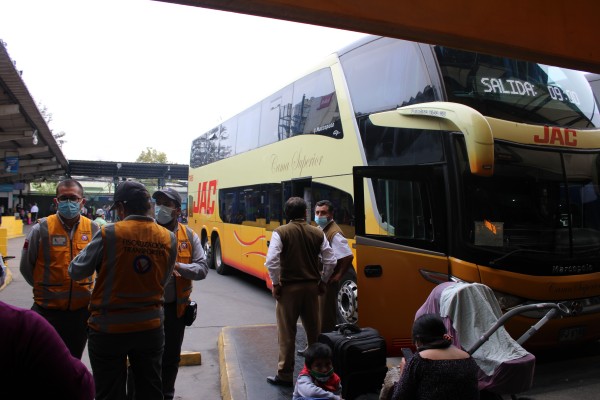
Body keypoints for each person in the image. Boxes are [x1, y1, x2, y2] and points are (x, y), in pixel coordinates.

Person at [69, 180, 178, 400]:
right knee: (149, 389)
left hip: (109, 330)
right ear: (148, 205)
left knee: (110, 392)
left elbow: (76, 271)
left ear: (120, 208)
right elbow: (164, 279)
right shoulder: (169, 238)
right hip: (151, 328)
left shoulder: (109, 233)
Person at [19, 178, 98, 359]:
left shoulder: (93, 229)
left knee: (72, 361)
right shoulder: (41, 228)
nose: (68, 202)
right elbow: (26, 266)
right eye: (64, 198)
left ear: (82, 202)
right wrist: (46, 288)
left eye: (73, 198)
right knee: (42, 362)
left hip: (80, 314)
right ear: (56, 202)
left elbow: (100, 268)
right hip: (47, 311)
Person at [265, 196, 337, 387]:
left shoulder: (281, 232)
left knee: (287, 333)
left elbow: (272, 261)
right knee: (314, 333)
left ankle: (285, 374)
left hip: (289, 289)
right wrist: (323, 281)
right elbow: (331, 260)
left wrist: (275, 284)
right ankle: (316, 373)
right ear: (305, 213)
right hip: (312, 288)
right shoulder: (317, 232)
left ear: (286, 214)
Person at [152, 187, 209, 400]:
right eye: (158, 203)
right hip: (147, 309)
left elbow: (202, 269)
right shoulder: (146, 231)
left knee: (171, 358)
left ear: (177, 210)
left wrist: (178, 267)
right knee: (146, 357)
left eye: (166, 204)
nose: (161, 208)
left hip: (175, 310)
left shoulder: (189, 235)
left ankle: (167, 394)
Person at [0, 300, 95, 400]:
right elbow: (80, 387)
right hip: (48, 308)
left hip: (79, 309)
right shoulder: (23, 326)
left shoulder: (22, 325)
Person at [388, 313, 479, 400]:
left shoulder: (419, 360)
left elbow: (399, 397)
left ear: (418, 339)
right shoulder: (468, 358)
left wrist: (403, 372)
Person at [314, 200, 354, 333]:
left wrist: (338, 275)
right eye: (317, 212)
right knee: (319, 313)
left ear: (331, 214)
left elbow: (348, 256)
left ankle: (325, 345)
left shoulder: (334, 233)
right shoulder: (321, 229)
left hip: (328, 280)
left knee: (326, 315)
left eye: (323, 213)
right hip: (322, 279)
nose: (319, 216)